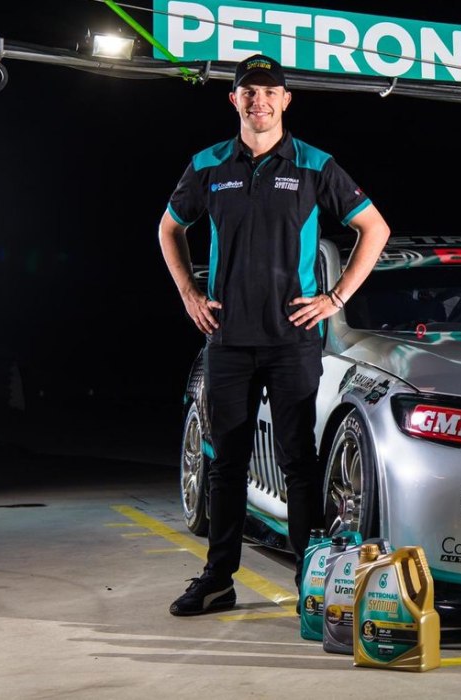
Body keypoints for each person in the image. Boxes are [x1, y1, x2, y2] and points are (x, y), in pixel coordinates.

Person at [158, 54, 390, 616]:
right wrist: (190, 293)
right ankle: (219, 580)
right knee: (226, 463)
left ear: (286, 99)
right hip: (228, 339)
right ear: (234, 99)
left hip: (292, 340)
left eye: (269, 91)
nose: (259, 100)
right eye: (249, 91)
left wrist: (335, 298)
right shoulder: (208, 164)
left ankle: (313, 584)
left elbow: (374, 228)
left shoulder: (314, 165)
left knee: (298, 461)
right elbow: (169, 228)